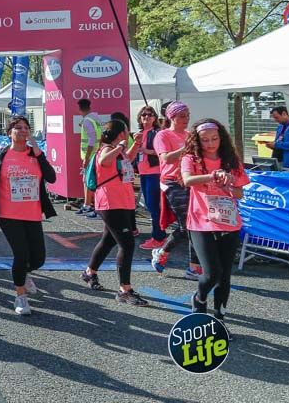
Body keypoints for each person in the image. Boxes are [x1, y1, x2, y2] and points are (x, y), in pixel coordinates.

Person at [0, 115, 57, 316]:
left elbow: (51, 178)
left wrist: (39, 153)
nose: (23, 131)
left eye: (26, 127)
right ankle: (20, 296)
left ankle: (24, 273)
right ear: (10, 133)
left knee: (38, 258)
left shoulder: (35, 155)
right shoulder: (1, 155)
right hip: (8, 213)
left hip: (32, 213)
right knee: (21, 254)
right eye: (18, 128)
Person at [181, 119, 249, 326]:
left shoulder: (231, 160)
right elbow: (187, 180)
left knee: (224, 276)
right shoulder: (190, 158)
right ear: (197, 140)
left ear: (221, 138)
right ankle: (199, 298)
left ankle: (219, 319)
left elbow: (240, 193)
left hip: (228, 222)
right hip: (201, 222)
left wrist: (228, 184)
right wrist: (211, 176)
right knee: (212, 273)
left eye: (214, 139)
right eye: (205, 140)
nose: (210, 144)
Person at [80, 119, 148, 306]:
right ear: (121, 133)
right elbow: (104, 161)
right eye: (126, 130)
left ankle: (89, 272)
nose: (128, 133)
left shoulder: (118, 151)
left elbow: (127, 160)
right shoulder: (107, 149)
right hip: (110, 203)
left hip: (121, 202)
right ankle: (124, 290)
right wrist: (121, 146)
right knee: (127, 244)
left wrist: (136, 144)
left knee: (108, 240)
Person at [150, 102, 202, 279]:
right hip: (172, 182)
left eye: (187, 115)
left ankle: (193, 266)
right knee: (187, 224)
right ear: (171, 117)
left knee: (195, 224)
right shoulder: (162, 135)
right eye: (182, 116)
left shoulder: (188, 135)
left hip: (190, 180)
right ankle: (165, 254)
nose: (186, 119)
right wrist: (186, 147)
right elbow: (166, 159)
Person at [135, 107, 167, 250]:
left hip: (154, 172)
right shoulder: (140, 133)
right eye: (143, 115)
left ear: (154, 118)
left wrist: (146, 151)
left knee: (153, 206)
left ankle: (158, 237)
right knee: (150, 205)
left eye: (149, 115)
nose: (146, 117)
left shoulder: (157, 133)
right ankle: (158, 235)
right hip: (144, 173)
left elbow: (162, 152)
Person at [76, 98, 100, 218]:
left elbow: (91, 139)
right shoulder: (95, 118)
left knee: (88, 180)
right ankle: (89, 205)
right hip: (96, 153)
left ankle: (90, 206)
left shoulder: (87, 121)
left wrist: (86, 157)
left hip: (90, 155)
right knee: (89, 180)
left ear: (80, 109)